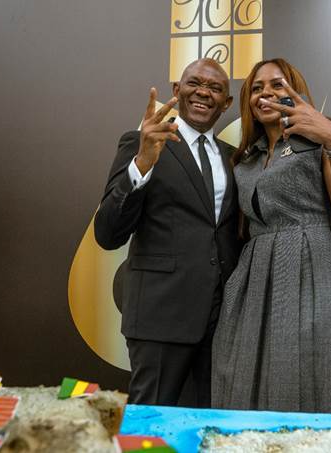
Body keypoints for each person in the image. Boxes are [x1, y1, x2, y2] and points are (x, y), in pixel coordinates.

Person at [211, 58, 331, 413]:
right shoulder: (245, 161)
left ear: (295, 90)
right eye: (257, 88)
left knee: (313, 375)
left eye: (277, 84)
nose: (266, 93)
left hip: (314, 269)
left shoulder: (322, 140)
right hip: (255, 281)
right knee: (244, 378)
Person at [94, 58, 241, 407]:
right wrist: (142, 164)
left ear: (226, 103)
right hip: (159, 318)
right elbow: (108, 233)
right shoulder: (142, 143)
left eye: (215, 88)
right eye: (194, 83)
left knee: (211, 424)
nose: (203, 92)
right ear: (177, 90)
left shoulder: (235, 157)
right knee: (150, 424)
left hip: (222, 324)